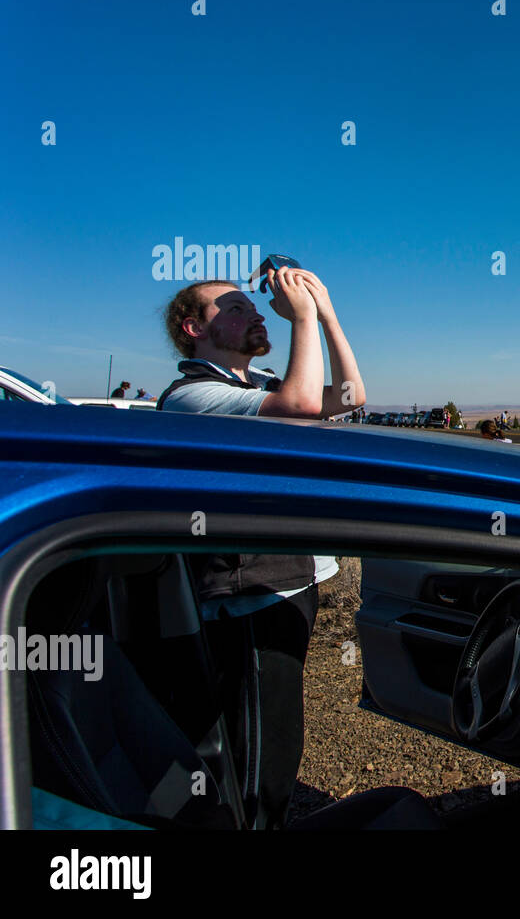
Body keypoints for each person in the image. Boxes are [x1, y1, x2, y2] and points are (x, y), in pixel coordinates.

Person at [158, 264, 366, 826]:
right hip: (246, 600)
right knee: (259, 767)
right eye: (234, 308)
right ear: (192, 329)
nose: (253, 311)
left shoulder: (257, 385)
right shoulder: (193, 397)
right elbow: (301, 410)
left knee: (274, 745)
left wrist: (326, 315)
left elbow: (348, 398)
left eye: (250, 305)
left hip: (286, 586)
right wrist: (301, 319)